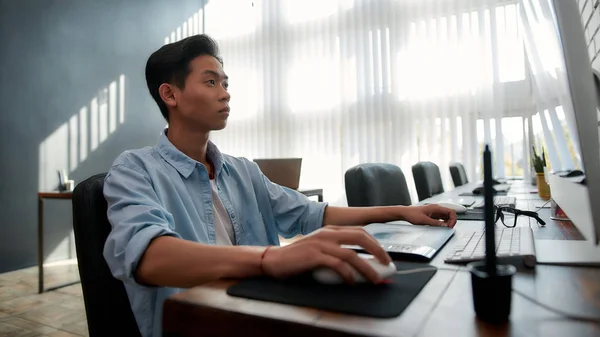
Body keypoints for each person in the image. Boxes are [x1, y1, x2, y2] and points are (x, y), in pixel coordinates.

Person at [103, 34, 457, 337]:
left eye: (226, 83)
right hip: (197, 323)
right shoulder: (135, 169)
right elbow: (148, 257)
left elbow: (313, 214)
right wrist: (272, 258)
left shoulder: (243, 171)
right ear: (170, 94)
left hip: (262, 314)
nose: (225, 93)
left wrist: (403, 211)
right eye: (211, 82)